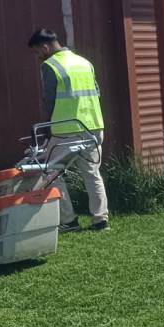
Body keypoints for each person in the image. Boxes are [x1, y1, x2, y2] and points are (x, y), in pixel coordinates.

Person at [28, 28, 109, 231]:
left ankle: (69, 220)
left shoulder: (50, 66)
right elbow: (95, 92)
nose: (38, 56)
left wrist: (45, 127)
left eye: (37, 52)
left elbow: (49, 100)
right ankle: (101, 220)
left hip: (66, 130)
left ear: (44, 47)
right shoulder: (84, 62)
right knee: (92, 173)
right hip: (93, 126)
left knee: (50, 172)